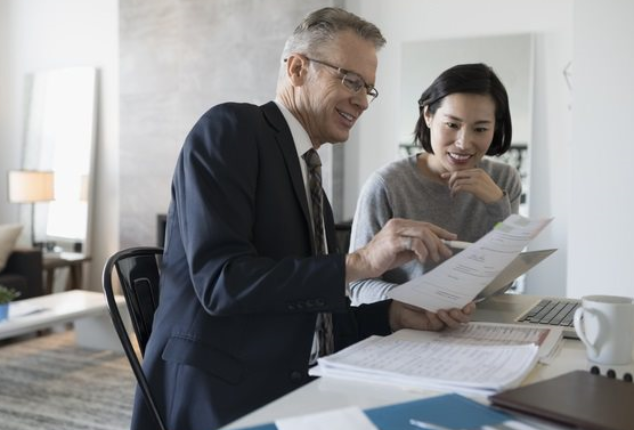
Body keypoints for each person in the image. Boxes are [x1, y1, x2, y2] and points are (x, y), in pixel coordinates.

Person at [132, 8, 474, 430]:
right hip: (222, 397)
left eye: (369, 88)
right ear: (296, 68)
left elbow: (314, 316)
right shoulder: (232, 128)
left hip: (302, 386)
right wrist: (361, 262)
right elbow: (223, 283)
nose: (363, 100)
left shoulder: (309, 178)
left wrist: (394, 314)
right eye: (351, 81)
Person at [348, 63, 522, 305]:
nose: (463, 143)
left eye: (480, 129)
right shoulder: (386, 185)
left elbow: (504, 284)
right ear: (428, 115)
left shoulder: (504, 182)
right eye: (452, 125)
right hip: (407, 330)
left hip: (479, 325)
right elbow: (357, 285)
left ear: (495, 129)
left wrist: (497, 206)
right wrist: (416, 305)